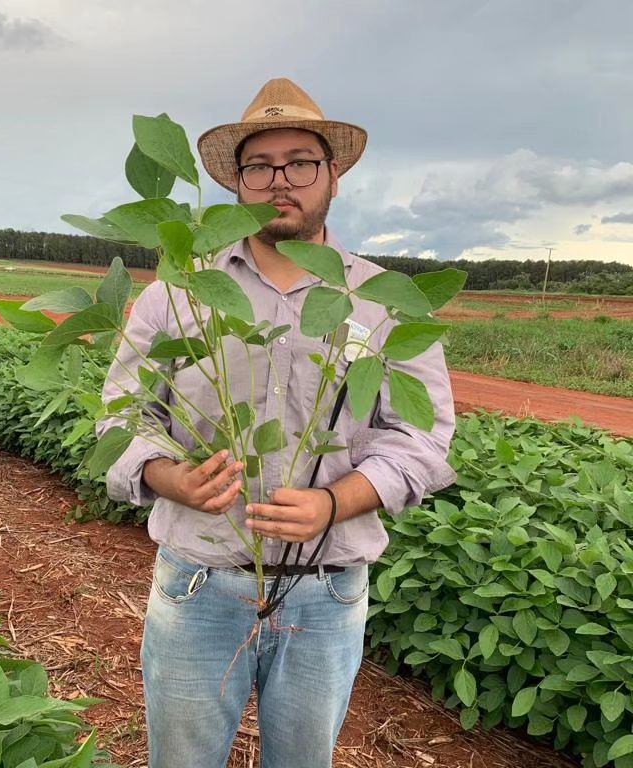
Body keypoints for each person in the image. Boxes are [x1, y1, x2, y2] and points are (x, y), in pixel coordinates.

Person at [100, 78, 457, 768]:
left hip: (326, 590)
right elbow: (122, 415)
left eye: (300, 161)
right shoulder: (179, 292)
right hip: (199, 582)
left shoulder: (383, 302)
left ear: (333, 178)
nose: (279, 180)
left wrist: (334, 502)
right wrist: (169, 475)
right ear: (236, 184)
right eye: (258, 166)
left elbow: (423, 437)